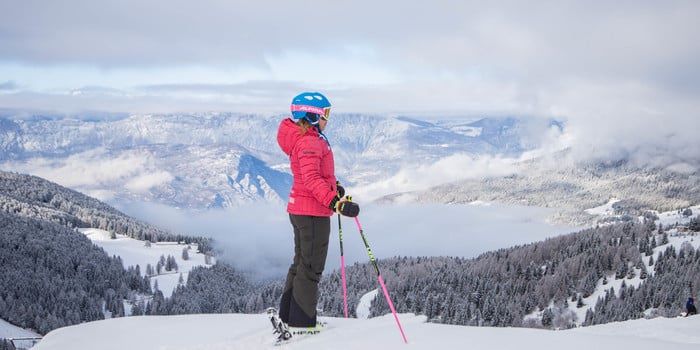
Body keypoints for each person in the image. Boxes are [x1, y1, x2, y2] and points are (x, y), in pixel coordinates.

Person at [276, 92, 360, 330]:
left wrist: (334, 188)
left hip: (301, 209)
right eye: (325, 114)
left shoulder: (304, 138)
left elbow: (310, 176)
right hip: (313, 212)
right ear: (311, 115)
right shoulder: (311, 141)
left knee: (301, 263)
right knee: (311, 268)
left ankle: (288, 316)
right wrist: (336, 203)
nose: (327, 119)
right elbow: (312, 179)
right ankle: (302, 324)